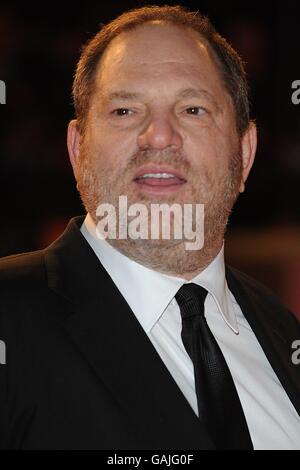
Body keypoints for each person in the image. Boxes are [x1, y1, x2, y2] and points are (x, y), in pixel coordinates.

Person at [0, 5, 299, 451]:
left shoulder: (283, 331)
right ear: (77, 150)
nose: (159, 136)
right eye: (124, 111)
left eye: (193, 109)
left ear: (246, 153)